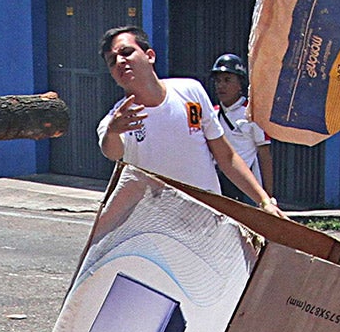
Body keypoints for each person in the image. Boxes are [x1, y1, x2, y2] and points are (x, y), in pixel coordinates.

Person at [97, 28, 279, 212]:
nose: (120, 61)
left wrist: (264, 201)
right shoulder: (116, 120)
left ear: (150, 56)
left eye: (127, 52)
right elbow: (112, 152)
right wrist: (112, 132)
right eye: (112, 61)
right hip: (154, 225)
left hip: (204, 219)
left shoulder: (191, 91)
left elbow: (226, 156)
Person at [206, 52, 274, 208]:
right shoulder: (212, 114)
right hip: (219, 184)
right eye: (217, 81)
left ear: (240, 83)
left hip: (246, 188)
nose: (221, 85)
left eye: (227, 80)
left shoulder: (253, 114)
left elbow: (264, 154)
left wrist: (268, 195)